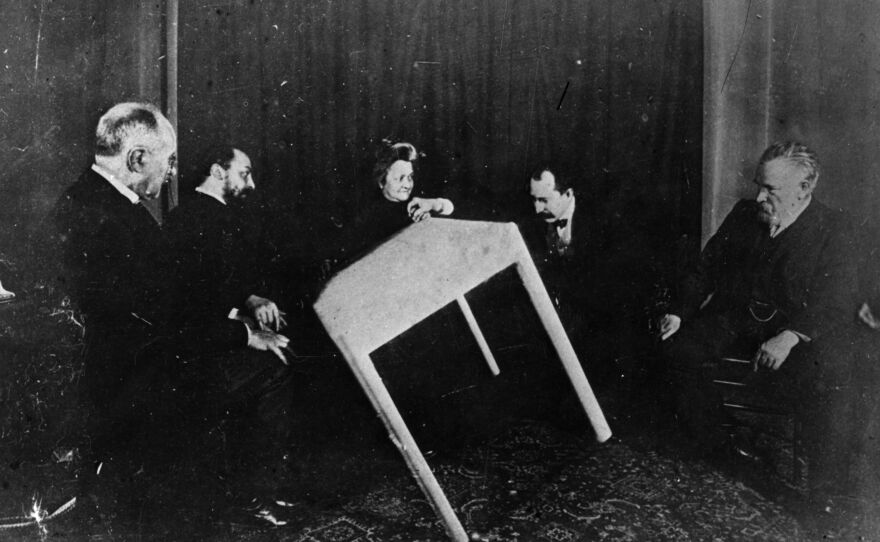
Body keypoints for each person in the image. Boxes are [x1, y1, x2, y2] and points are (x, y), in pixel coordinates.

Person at [51, 103, 291, 479]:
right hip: (134, 389)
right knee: (268, 368)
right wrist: (244, 334)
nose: (172, 172)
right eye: (170, 161)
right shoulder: (114, 223)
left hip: (118, 375)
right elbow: (170, 323)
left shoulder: (83, 200)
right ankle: (248, 498)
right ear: (138, 158)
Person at [657, 141, 858, 499]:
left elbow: (835, 300)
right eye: (759, 185)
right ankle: (721, 444)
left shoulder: (835, 229)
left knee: (833, 378)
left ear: (804, 188)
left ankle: (826, 493)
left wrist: (791, 335)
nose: (760, 197)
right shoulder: (744, 214)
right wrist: (679, 311)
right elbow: (705, 268)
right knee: (675, 351)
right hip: (735, 320)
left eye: (771, 189)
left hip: (792, 333)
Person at [521, 164, 644, 393]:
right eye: (534, 199)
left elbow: (618, 288)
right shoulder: (531, 224)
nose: (537, 209)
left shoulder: (605, 222)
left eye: (544, 200)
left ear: (568, 194)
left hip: (601, 321)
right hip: (557, 318)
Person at [164, 145, 284, 331]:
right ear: (217, 172)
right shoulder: (191, 219)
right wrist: (245, 310)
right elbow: (192, 295)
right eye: (244, 174)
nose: (252, 184)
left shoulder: (210, 215)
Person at [342, 141, 454, 262]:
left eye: (410, 177)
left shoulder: (416, 203)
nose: (407, 184)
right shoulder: (366, 215)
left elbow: (450, 208)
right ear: (381, 181)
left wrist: (434, 204)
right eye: (400, 178)